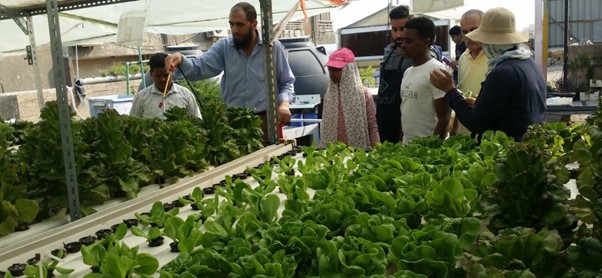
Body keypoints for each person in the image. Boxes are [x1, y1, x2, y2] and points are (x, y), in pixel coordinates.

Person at [163, 2, 295, 140]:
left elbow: (286, 82)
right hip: (233, 123)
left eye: (240, 25)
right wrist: (180, 59)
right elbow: (199, 69)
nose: (234, 30)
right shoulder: (224, 47)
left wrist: (284, 105)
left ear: (254, 24)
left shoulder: (272, 47)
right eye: (231, 24)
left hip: (265, 123)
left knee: (269, 159)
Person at [429, 7, 546, 142]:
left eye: (484, 41)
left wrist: (450, 90)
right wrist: (481, 104)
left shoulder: (501, 73)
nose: (483, 45)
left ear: (492, 43)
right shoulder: (529, 63)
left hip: (508, 151)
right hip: (527, 147)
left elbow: (475, 123)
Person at [399, 17, 451, 145]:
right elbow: (405, 111)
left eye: (408, 41)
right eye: (403, 40)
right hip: (407, 147)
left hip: (427, 152)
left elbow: (444, 118)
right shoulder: (407, 72)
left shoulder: (437, 70)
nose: (403, 45)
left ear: (426, 42)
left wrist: (432, 151)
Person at [321, 48, 379, 149]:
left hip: (358, 152)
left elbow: (372, 127)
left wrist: (377, 150)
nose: (331, 74)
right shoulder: (329, 96)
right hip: (333, 153)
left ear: (349, 69)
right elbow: (325, 128)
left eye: (336, 69)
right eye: (329, 69)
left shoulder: (363, 96)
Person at [376, 5, 413, 143]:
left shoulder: (415, 55)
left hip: (404, 123)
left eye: (402, 29)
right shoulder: (388, 51)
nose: (398, 34)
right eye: (394, 29)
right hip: (385, 118)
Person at [130, 53, 201, 119]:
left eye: (166, 75)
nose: (162, 79)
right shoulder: (141, 97)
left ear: (172, 72)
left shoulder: (186, 94)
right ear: (151, 74)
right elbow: (133, 121)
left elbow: (197, 119)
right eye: (158, 76)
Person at [451, 9, 488, 136]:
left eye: (473, 30)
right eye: (464, 32)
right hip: (465, 135)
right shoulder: (463, 58)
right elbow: (461, 94)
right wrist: (455, 127)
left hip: (488, 138)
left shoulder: (495, 59)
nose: (469, 36)